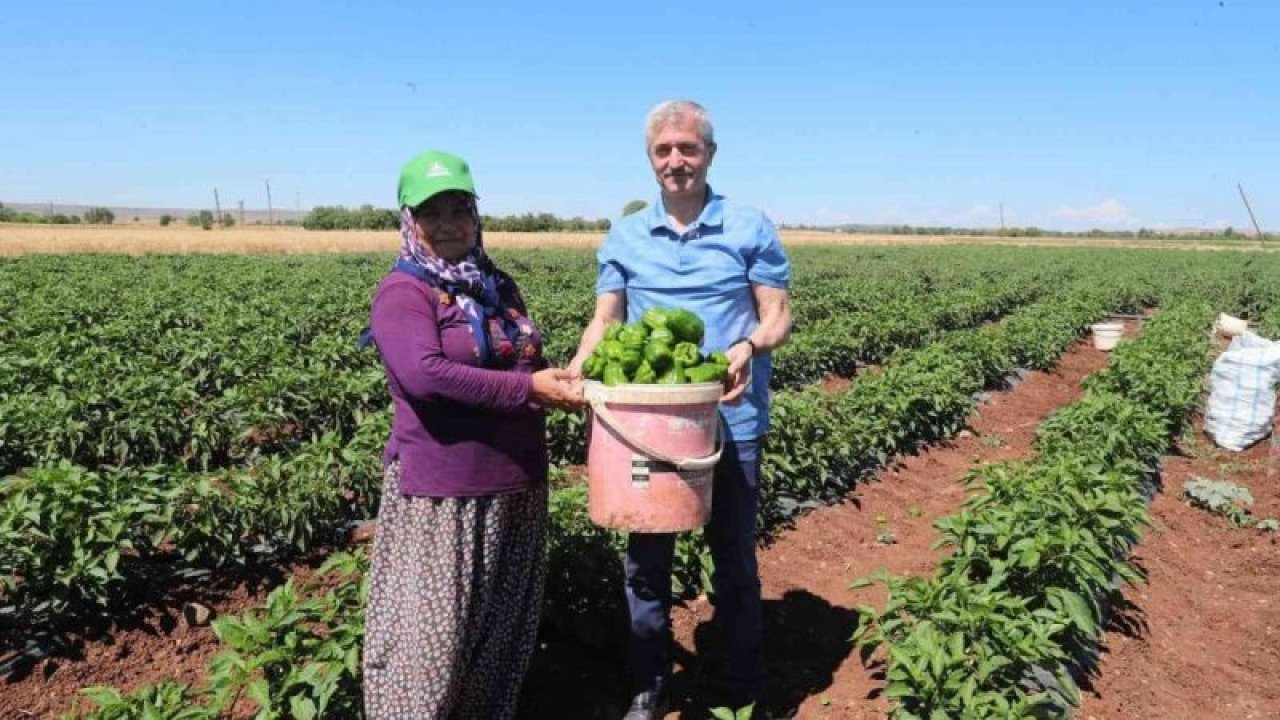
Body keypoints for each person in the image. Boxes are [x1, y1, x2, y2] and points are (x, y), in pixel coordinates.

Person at [569, 100, 793, 718]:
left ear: (709, 155)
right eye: (664, 151)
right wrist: (577, 371)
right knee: (646, 562)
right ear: (650, 159)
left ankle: (743, 681)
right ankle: (648, 680)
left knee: (734, 559)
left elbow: (778, 314)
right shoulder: (626, 234)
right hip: (650, 431)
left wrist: (748, 346)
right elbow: (605, 321)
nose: (676, 161)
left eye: (688, 149)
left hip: (732, 421)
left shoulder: (748, 227)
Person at [361, 150, 583, 719]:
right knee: (426, 651)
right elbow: (424, 374)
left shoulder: (498, 286)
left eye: (459, 209)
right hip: (445, 492)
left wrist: (568, 383)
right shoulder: (403, 292)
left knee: (498, 641)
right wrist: (531, 390)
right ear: (410, 221)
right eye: (432, 212)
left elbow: (523, 360)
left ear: (476, 215)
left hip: (517, 485)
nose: (448, 223)